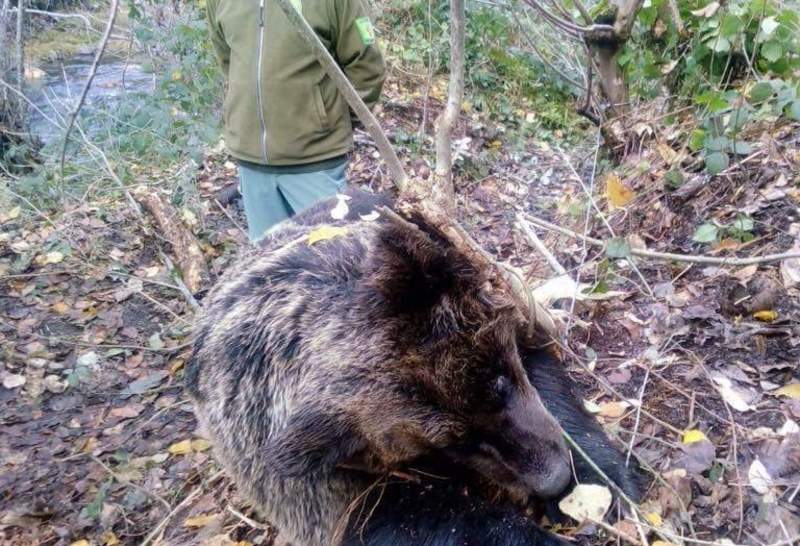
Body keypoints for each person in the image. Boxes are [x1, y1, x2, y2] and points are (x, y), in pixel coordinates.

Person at [205, 0, 386, 241]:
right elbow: (228, 60)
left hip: (315, 162)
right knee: (267, 258)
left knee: (329, 256)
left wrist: (331, 121)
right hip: (252, 163)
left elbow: (367, 66)